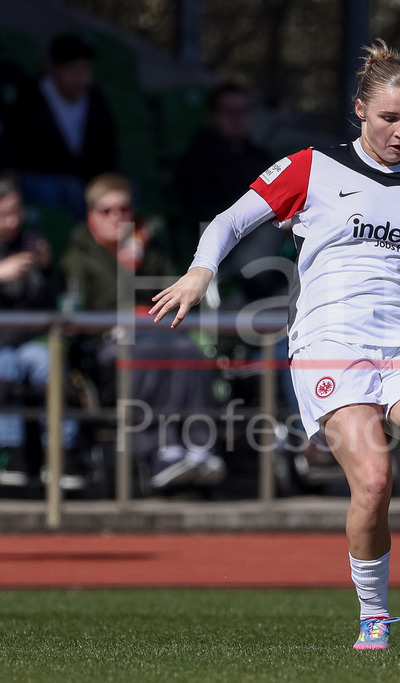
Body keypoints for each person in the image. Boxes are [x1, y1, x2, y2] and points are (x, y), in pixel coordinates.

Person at [149, 39, 400, 650]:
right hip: (331, 344)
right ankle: (374, 613)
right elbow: (229, 220)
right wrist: (201, 271)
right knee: (375, 482)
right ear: (360, 109)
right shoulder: (313, 166)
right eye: (389, 118)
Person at [61, 173, 226, 493]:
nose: (117, 217)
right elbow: (77, 313)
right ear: (91, 214)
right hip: (105, 341)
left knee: (188, 351)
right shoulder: (77, 257)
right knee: (144, 353)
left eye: (124, 209)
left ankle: (198, 448)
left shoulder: (149, 250)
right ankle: (161, 451)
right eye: (106, 211)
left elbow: (177, 292)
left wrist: (136, 259)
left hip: (157, 331)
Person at [0, 172, 80, 490]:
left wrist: (47, 270)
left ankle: (62, 454)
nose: (11, 220)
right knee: (3, 367)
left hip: (29, 339)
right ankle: (11, 454)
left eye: (16, 212)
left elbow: (55, 302)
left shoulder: (32, 245)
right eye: (3, 214)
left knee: (49, 364)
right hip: (1, 345)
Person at [172, 82, 285, 302]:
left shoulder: (259, 156)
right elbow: (200, 210)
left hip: (265, 233)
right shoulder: (195, 159)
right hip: (224, 241)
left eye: (243, 111)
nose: (237, 118)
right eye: (229, 111)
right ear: (213, 115)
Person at [5, 33, 117, 219]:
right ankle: (77, 241)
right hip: (40, 177)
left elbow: (107, 150)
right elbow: (20, 149)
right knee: (70, 191)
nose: (81, 78)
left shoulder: (96, 98)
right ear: (54, 69)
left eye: (85, 70)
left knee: (123, 195)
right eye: (73, 70)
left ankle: (130, 248)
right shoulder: (30, 96)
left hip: (86, 180)